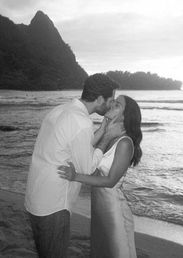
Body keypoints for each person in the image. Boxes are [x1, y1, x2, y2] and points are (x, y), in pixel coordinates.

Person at [25, 73, 120, 258]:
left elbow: (77, 144)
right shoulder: (81, 122)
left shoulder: (62, 110)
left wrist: (102, 128)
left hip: (37, 195)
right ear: (100, 99)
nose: (111, 104)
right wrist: (107, 137)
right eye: (111, 100)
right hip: (54, 205)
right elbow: (88, 168)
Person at [58, 95, 143, 258]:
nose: (111, 105)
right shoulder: (110, 137)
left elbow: (110, 181)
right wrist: (104, 128)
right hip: (99, 205)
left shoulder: (124, 143)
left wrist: (75, 176)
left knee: (117, 251)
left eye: (117, 105)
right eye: (113, 102)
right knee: (101, 249)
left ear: (125, 116)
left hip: (114, 208)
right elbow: (88, 154)